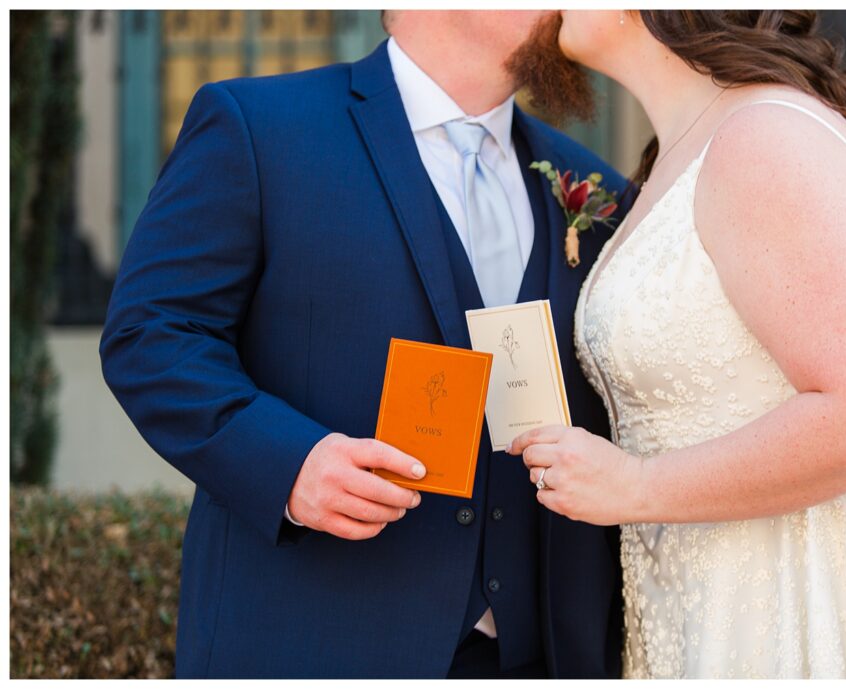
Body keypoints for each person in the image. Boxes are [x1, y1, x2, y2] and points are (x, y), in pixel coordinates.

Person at [100, 10, 632, 678]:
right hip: (319, 640)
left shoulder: (594, 188)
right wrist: (291, 464)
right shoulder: (260, 128)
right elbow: (150, 335)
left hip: (537, 653)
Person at [509, 9, 846, 678]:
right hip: (709, 588)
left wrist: (636, 484)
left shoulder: (763, 136)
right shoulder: (680, 153)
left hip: (815, 583)